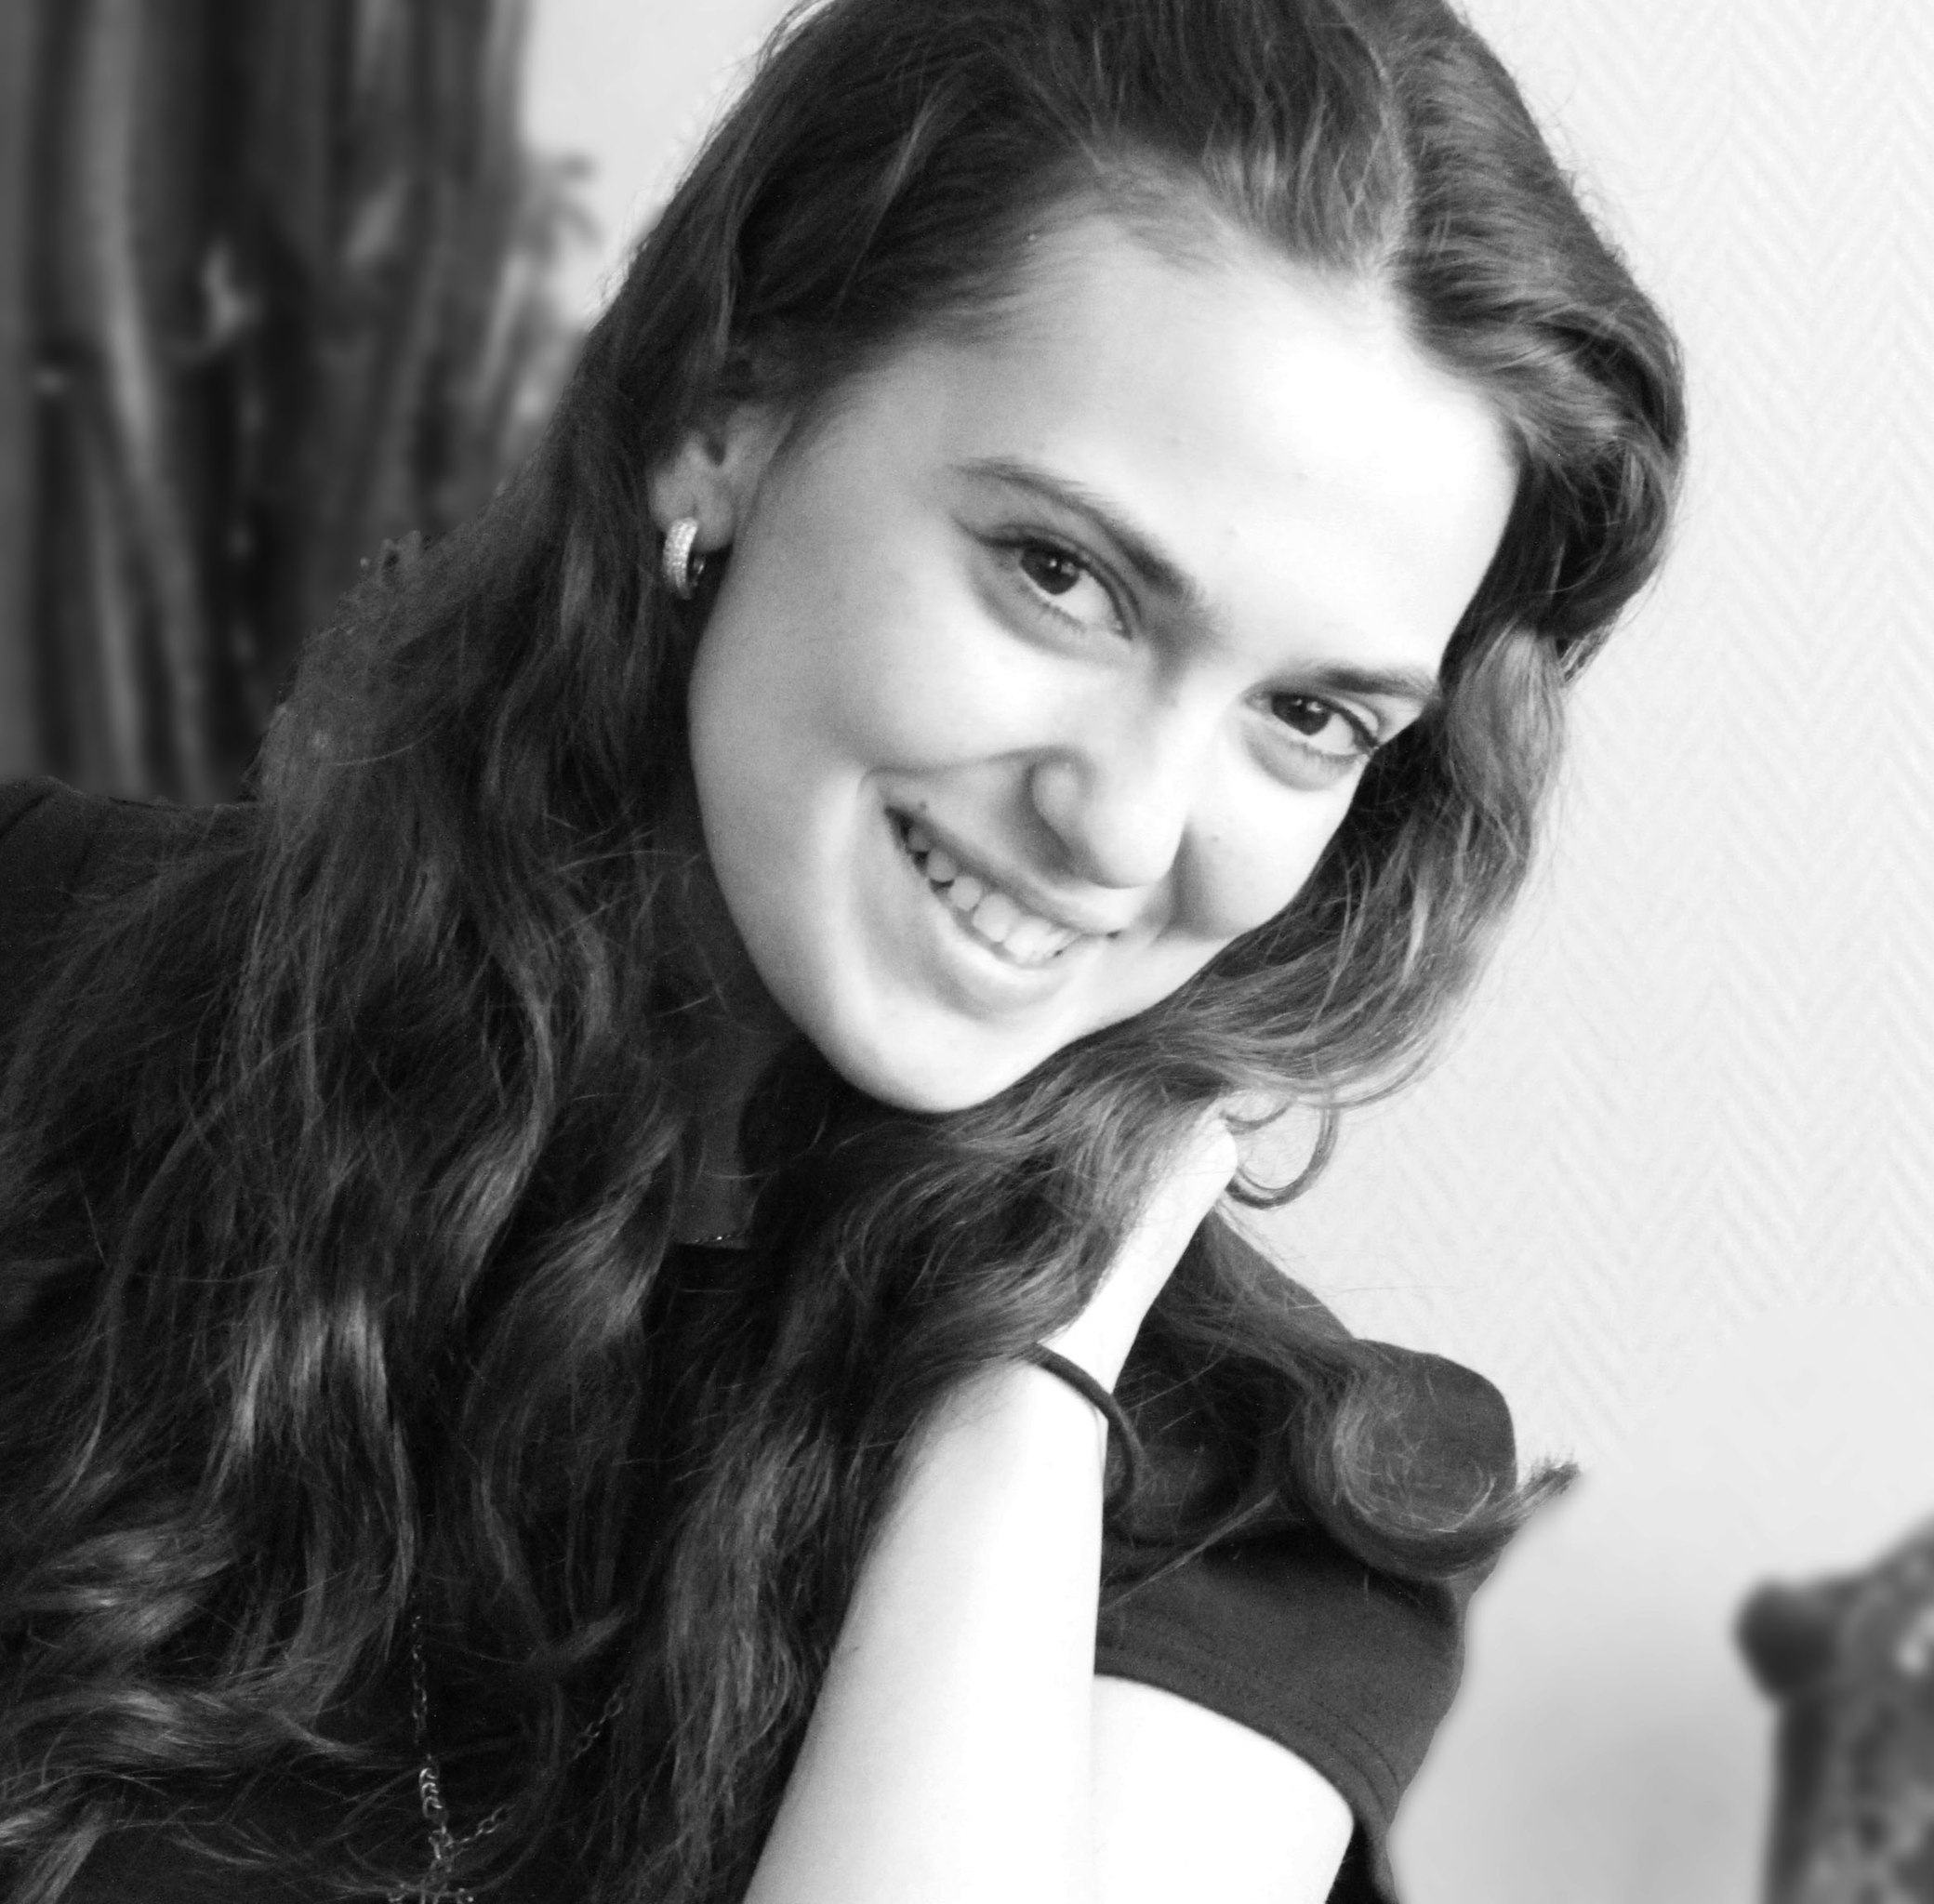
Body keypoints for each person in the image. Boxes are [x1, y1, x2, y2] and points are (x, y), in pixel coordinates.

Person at [0, 0, 1685, 1899]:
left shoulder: (1256, 1525)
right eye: (1062, 575)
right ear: (727, 421)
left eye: (1307, 717)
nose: (1126, 828)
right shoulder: (40, 962)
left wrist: (1027, 1385)